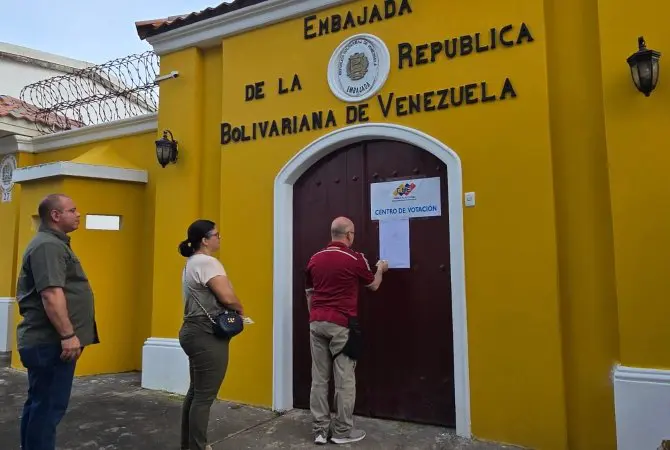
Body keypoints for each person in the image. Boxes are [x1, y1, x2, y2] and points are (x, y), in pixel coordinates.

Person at [15, 194, 99, 450]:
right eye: (72, 210)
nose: (78, 214)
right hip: (50, 342)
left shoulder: (53, 244)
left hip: (49, 342)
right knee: (48, 408)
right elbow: (51, 294)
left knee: (41, 404)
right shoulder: (48, 246)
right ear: (55, 216)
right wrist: (67, 335)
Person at [304, 216, 389, 445]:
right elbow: (373, 285)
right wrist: (380, 268)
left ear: (332, 233)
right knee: (344, 379)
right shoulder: (354, 258)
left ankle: (320, 430)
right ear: (349, 234)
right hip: (341, 325)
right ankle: (342, 432)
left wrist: (316, 316)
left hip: (316, 323)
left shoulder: (314, 258)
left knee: (319, 379)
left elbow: (310, 293)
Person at [178, 219, 245, 450]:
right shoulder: (208, 263)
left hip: (191, 330)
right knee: (204, 396)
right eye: (216, 235)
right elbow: (226, 297)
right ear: (204, 240)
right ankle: (198, 446)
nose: (219, 238)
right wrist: (240, 308)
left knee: (196, 392)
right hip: (206, 333)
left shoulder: (191, 263)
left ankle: (189, 444)